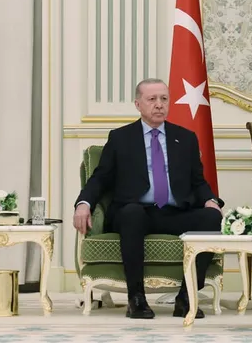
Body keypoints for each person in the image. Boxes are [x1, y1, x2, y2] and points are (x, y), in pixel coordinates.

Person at [73, 78, 223, 319]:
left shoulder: (185, 138)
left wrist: (211, 201)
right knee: (132, 214)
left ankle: (186, 298)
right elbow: (100, 178)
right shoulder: (121, 138)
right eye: (152, 99)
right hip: (134, 212)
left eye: (164, 99)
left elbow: (198, 181)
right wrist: (83, 204)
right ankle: (136, 299)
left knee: (212, 218)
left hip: (174, 212)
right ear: (138, 104)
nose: (159, 105)